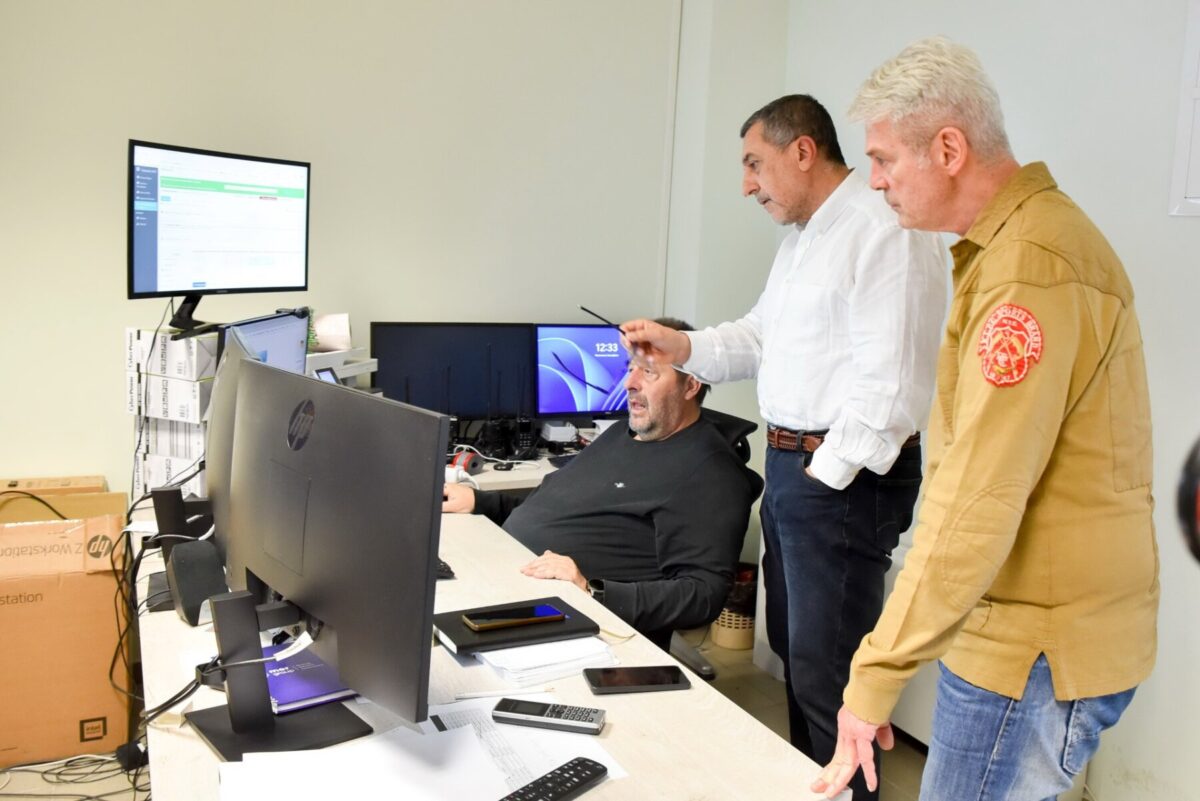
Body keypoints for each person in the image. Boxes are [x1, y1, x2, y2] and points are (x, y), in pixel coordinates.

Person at [812, 37, 1159, 801]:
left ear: (948, 149)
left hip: (1031, 648)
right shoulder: (1016, 248)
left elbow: (977, 499)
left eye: (883, 160)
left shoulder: (1028, 269)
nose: (875, 182)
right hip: (1031, 632)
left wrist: (873, 677)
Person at [622, 95, 947, 801]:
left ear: (802, 151)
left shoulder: (881, 229)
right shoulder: (805, 237)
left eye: (754, 164)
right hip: (797, 468)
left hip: (841, 477)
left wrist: (821, 477)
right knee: (800, 665)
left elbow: (893, 388)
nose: (747, 185)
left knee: (832, 680)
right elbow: (759, 335)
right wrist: (684, 346)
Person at [443, 318, 763, 646]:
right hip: (512, 576)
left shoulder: (711, 472)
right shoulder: (622, 434)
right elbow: (561, 505)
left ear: (691, 385)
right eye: (630, 369)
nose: (629, 383)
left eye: (649, 372)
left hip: (574, 620)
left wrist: (590, 589)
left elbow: (703, 595)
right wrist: (481, 502)